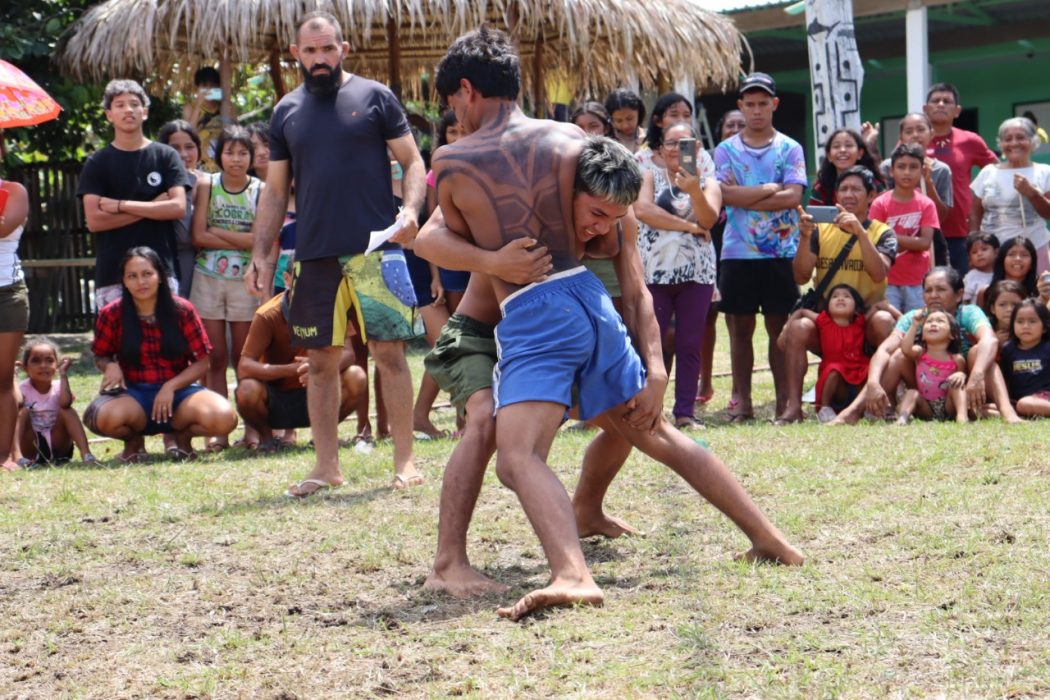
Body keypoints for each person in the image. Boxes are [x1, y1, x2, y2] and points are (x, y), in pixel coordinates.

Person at [429, 27, 802, 618]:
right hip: (589, 300)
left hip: (534, 311)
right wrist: (652, 364)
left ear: (467, 91)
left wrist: (493, 260)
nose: (456, 114)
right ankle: (771, 538)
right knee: (653, 431)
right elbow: (624, 249)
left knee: (518, 457)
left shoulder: (452, 160)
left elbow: (438, 238)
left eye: (453, 102)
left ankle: (572, 574)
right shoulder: (573, 140)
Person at [244, 11, 426, 496]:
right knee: (321, 363)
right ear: (296, 55)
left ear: (343, 49)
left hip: (376, 249)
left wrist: (409, 210)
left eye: (328, 49)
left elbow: (412, 160)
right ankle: (326, 466)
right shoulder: (286, 111)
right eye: (310, 51)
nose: (320, 58)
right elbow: (276, 191)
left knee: (390, 353)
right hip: (314, 254)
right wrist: (262, 254)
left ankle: (405, 461)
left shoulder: (375, 97)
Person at [83, 247, 238, 462]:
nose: (141, 282)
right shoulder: (111, 313)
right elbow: (100, 355)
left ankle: (182, 438)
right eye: (132, 276)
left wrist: (171, 386)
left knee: (224, 418)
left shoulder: (182, 310)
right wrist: (110, 366)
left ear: (161, 277)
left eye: (147, 274)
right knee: (102, 418)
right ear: (124, 282)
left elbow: (203, 362)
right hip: (132, 394)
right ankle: (133, 442)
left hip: (180, 395)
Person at [714, 72, 808, 422]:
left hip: (781, 251)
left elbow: (794, 196)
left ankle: (786, 401)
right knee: (739, 330)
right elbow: (724, 195)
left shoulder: (790, 147)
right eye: (749, 104)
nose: (756, 111)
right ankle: (744, 402)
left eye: (762, 103)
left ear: (774, 105)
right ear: (741, 106)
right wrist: (771, 189)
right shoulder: (725, 150)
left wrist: (747, 195)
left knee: (779, 328)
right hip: (737, 251)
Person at [778, 166, 897, 423]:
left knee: (885, 323)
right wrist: (805, 237)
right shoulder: (821, 230)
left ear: (871, 195)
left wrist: (861, 234)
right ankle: (793, 408)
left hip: (865, 323)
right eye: (843, 189)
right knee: (799, 326)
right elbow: (800, 276)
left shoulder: (883, 233)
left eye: (856, 189)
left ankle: (886, 402)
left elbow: (879, 273)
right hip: (829, 326)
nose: (848, 195)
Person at [847, 266, 1020, 425]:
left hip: (963, 387)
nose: (933, 295)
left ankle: (1007, 412)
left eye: (941, 289)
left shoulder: (969, 313)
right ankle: (855, 411)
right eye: (928, 290)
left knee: (978, 352)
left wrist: (976, 376)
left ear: (959, 294)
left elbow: (990, 340)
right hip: (926, 392)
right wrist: (873, 383)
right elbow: (885, 349)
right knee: (899, 355)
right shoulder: (914, 318)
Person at [633, 121, 720, 428]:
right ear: (660, 147)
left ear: (697, 148)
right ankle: (646, 409)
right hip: (654, 273)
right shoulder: (649, 177)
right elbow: (643, 211)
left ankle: (684, 412)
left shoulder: (709, 182)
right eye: (671, 143)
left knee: (689, 343)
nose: (677, 149)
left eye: (685, 143)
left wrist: (694, 190)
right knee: (651, 344)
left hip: (696, 275)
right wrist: (689, 226)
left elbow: (708, 218)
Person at [77, 79, 190, 309]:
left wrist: (120, 205)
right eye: (119, 105)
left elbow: (178, 208)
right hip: (113, 273)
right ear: (109, 115)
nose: (128, 110)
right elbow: (95, 221)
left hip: (160, 270)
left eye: (134, 103)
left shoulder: (166, 155)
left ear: (145, 112)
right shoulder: (97, 162)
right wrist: (152, 207)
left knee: (164, 342)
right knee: (118, 344)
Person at [236, 261, 367, 453]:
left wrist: (320, 366)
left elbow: (349, 353)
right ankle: (267, 438)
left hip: (322, 391)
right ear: (287, 279)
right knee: (247, 389)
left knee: (357, 377)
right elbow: (244, 366)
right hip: (277, 398)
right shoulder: (267, 315)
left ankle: (324, 435)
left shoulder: (332, 306)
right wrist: (289, 369)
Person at [190, 125, 264, 451]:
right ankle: (218, 429)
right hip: (207, 277)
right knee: (215, 357)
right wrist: (240, 239)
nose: (236, 159)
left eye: (243, 152)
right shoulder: (207, 184)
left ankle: (252, 428)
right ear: (219, 155)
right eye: (230, 152)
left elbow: (258, 240)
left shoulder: (260, 189)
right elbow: (198, 236)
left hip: (246, 280)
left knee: (243, 356)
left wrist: (217, 233)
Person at [923, 83, 998, 273]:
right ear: (926, 109)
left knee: (962, 290)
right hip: (921, 233)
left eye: (946, 101)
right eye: (935, 101)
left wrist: (980, 210)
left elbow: (997, 172)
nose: (940, 104)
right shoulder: (912, 141)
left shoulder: (970, 140)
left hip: (960, 232)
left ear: (957, 111)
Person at [699, 109, 746, 408]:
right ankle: (705, 381)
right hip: (709, 237)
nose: (736, 129)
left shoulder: (758, 155)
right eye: (730, 125)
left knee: (734, 316)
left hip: (741, 243)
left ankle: (738, 390)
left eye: (741, 125)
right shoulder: (707, 161)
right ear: (720, 133)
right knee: (706, 315)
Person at [970, 117, 1050, 274]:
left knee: (1039, 295)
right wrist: (974, 244)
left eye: (1021, 137)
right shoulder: (988, 172)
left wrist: (1033, 194)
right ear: (1000, 144)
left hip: (1035, 248)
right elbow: (975, 214)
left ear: (1033, 141)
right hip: (993, 253)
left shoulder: (1045, 172)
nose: (1014, 143)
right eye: (1008, 139)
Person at [869, 143, 939, 313]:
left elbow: (924, 242)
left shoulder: (926, 204)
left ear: (922, 171)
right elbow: (874, 242)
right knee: (889, 324)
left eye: (913, 167)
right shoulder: (880, 204)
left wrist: (889, 235)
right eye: (901, 167)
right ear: (892, 171)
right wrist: (907, 241)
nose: (907, 172)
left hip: (917, 281)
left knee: (916, 325)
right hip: (887, 280)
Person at [879, 112, 952, 266]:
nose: (915, 135)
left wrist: (928, 182)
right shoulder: (888, 167)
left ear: (931, 133)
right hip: (895, 246)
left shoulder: (941, 170)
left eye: (920, 130)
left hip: (931, 243)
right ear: (901, 136)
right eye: (909, 131)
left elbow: (941, 216)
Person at [790, 284, 869, 423]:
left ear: (856, 307)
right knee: (835, 369)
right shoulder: (823, 320)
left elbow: (877, 308)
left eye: (846, 296)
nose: (840, 299)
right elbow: (801, 312)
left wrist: (898, 315)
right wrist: (786, 329)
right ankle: (825, 408)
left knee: (870, 369)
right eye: (835, 296)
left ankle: (867, 407)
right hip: (835, 379)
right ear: (827, 306)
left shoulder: (860, 322)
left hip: (856, 372)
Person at [13, 337, 97, 467]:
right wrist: (14, 379)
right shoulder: (22, 388)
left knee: (67, 411)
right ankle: (17, 457)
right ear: (25, 367)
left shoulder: (59, 386)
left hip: (59, 445)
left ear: (57, 365)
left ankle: (86, 454)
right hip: (32, 447)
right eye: (36, 361)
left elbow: (65, 404)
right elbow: (16, 404)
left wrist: (63, 374)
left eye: (49, 361)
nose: (43, 365)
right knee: (22, 411)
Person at [0, 175, 30, 472]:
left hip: (7, 292)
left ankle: (5, 455)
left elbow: (5, 227)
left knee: (2, 377)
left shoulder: (14, 191)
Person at [896, 308, 968, 423]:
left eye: (940, 321)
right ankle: (902, 418)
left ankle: (962, 417)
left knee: (957, 386)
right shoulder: (920, 353)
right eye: (929, 322)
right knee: (911, 392)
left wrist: (961, 375)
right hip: (926, 407)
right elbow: (905, 349)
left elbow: (964, 379)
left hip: (948, 406)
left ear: (952, 334)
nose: (933, 324)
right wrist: (914, 325)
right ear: (923, 336)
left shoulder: (957, 359)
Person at [158, 120, 204, 299]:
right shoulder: (155, 183)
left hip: (206, 262)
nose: (183, 154)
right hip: (166, 259)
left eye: (189, 146)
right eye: (175, 147)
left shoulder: (210, 182)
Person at [999, 298, 1050, 417]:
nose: (1025, 326)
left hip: (1044, 397)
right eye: (1020, 321)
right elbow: (1005, 380)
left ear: (1045, 327)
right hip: (1018, 400)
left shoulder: (1048, 348)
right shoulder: (1008, 349)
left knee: (1024, 404)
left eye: (1032, 321)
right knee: (984, 409)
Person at [182, 66, 236, 172]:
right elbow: (187, 134)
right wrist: (198, 105)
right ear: (197, 88)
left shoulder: (225, 107)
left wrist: (230, 110)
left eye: (213, 85)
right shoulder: (190, 108)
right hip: (199, 164)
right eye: (205, 86)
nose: (209, 89)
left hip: (223, 163)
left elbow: (237, 132)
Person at [809, 128, 882, 206]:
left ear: (860, 154)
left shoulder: (875, 185)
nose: (842, 150)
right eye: (836, 146)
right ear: (829, 156)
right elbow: (815, 216)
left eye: (849, 145)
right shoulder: (821, 188)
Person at [977, 236, 1039, 305]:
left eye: (1024, 255)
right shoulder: (986, 292)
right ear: (1002, 260)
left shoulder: (1039, 291)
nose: (1018, 259)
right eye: (1011, 254)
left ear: (1032, 264)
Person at [983, 279, 1025, 350]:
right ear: (993, 309)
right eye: (1002, 305)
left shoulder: (1029, 327)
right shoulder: (985, 327)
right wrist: (993, 341)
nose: (1009, 309)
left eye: (1015, 304)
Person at [604, 88, 646, 153]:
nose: (625, 125)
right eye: (619, 121)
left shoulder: (649, 137)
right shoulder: (606, 143)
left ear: (639, 113)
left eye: (630, 119)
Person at [962, 231, 999, 304]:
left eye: (984, 249)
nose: (979, 254)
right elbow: (965, 301)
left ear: (996, 252)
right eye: (974, 252)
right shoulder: (971, 276)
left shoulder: (1002, 272)